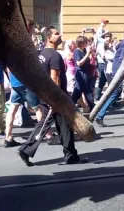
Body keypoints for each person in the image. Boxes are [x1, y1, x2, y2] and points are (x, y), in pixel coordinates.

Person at [18, 26, 86, 166]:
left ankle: (70, 155)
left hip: (46, 95)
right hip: (56, 98)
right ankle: (27, 149)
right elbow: (54, 78)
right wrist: (56, 99)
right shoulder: (55, 55)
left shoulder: (41, 53)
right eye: (56, 34)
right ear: (49, 38)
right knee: (59, 124)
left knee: (60, 125)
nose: (59, 35)